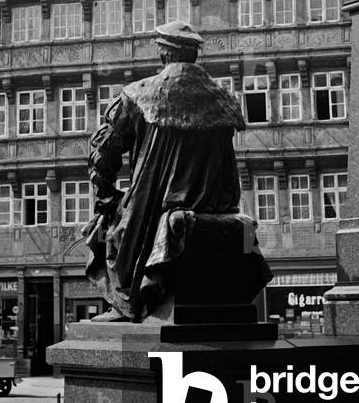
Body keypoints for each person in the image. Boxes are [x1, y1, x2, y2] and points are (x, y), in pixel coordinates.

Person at [84, 21, 271, 322]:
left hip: (155, 206)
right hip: (219, 207)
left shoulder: (137, 94)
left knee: (108, 228)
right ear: (194, 56)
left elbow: (103, 152)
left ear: (164, 54)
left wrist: (105, 195)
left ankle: (125, 303)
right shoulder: (223, 99)